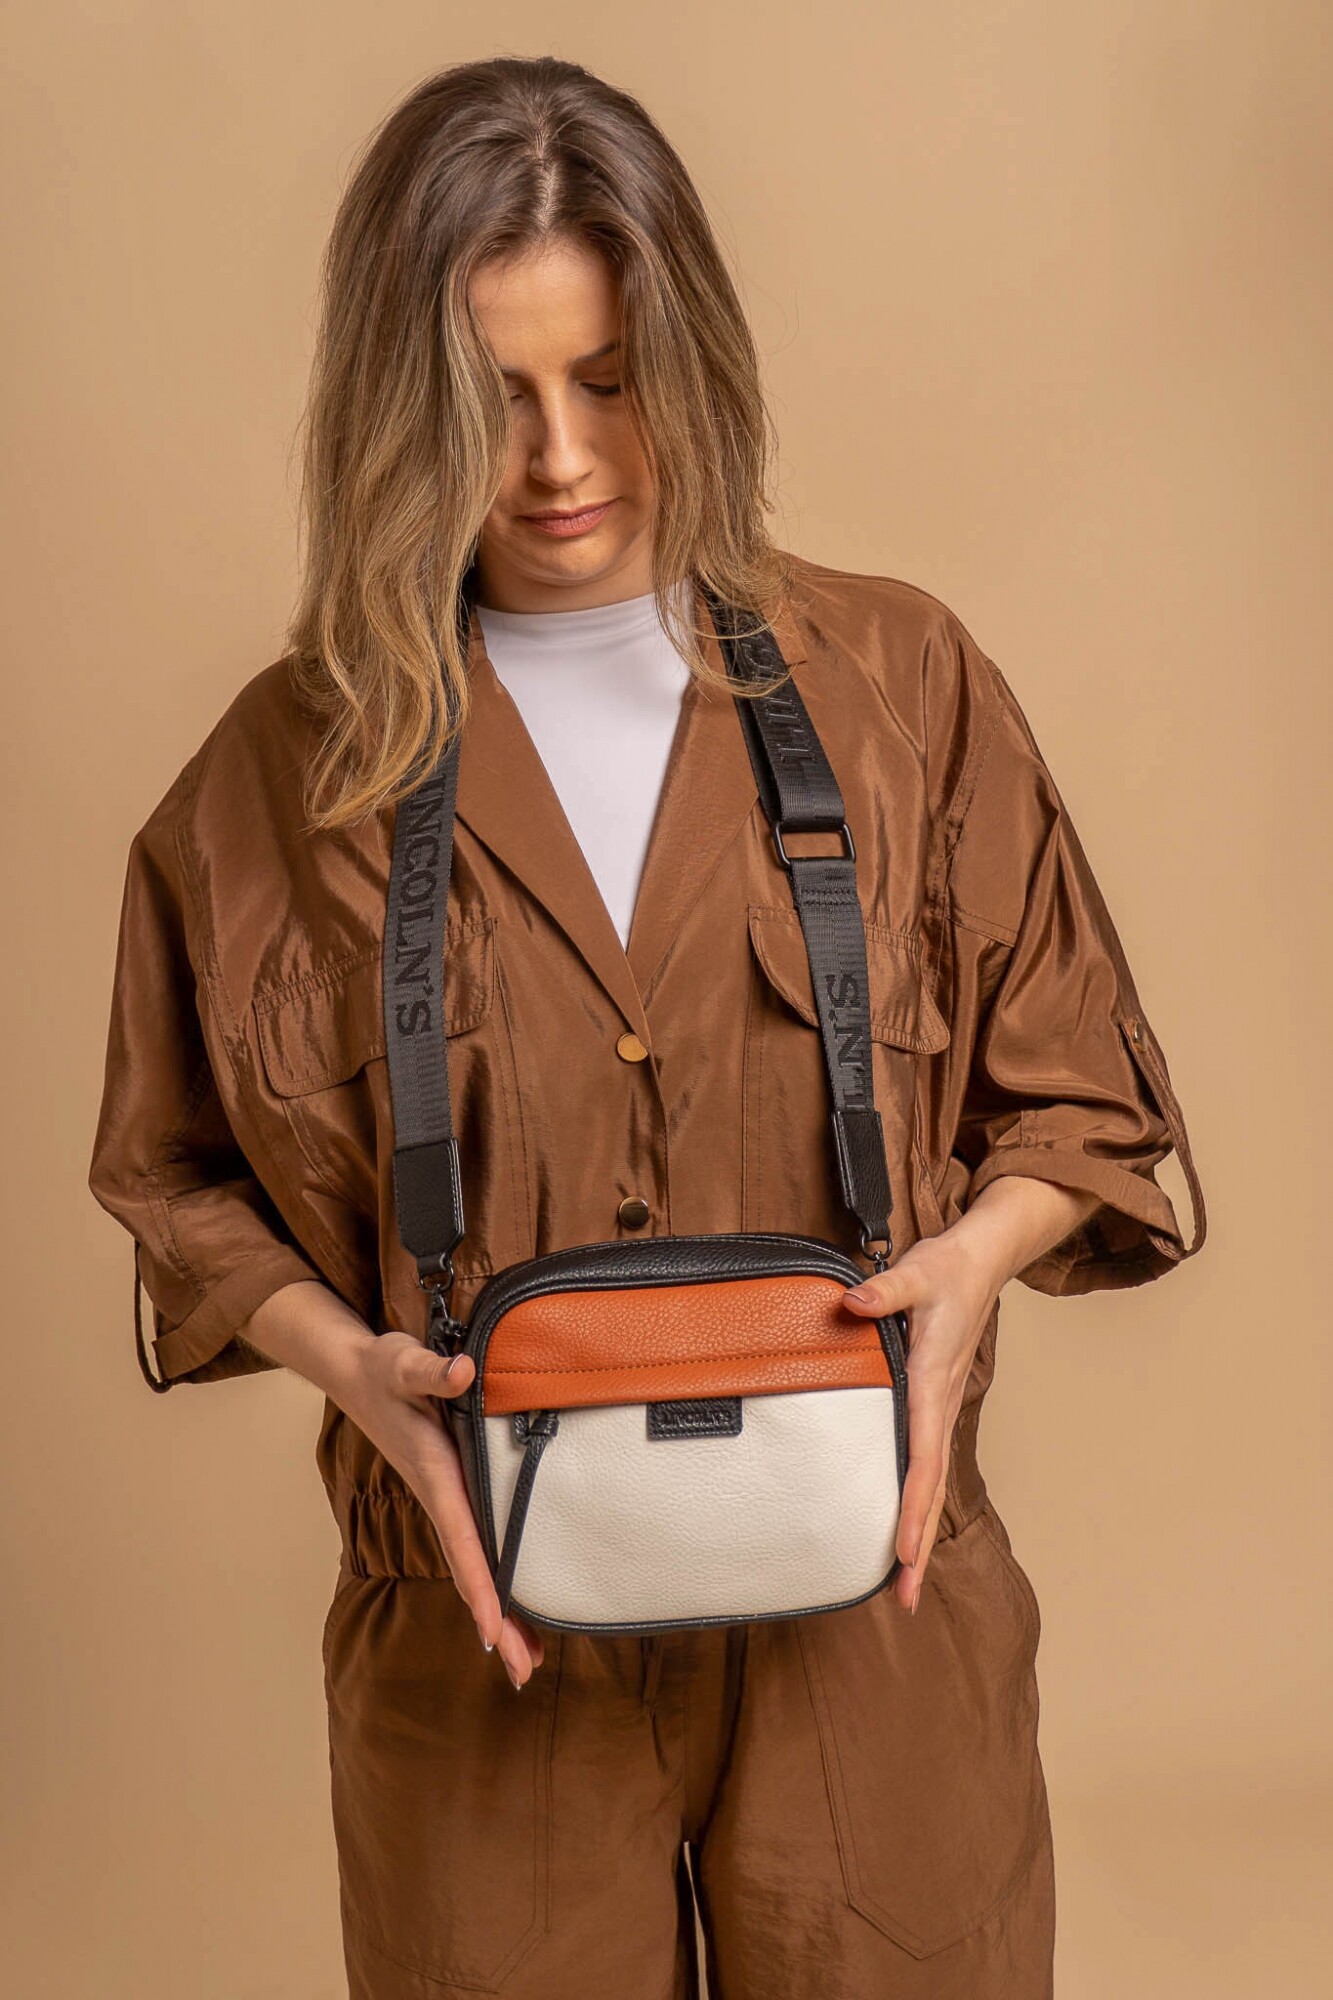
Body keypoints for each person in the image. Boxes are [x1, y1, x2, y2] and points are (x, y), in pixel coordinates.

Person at [87, 53, 1207, 2000]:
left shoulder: (900, 684)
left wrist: (967, 1276)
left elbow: (1079, 1091)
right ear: (398, 410)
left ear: (691, 360)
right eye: (490, 398)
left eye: (608, 380)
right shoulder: (279, 773)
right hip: (478, 1636)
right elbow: (172, 1170)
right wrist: (353, 1369)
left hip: (877, 1622)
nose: (558, 458)